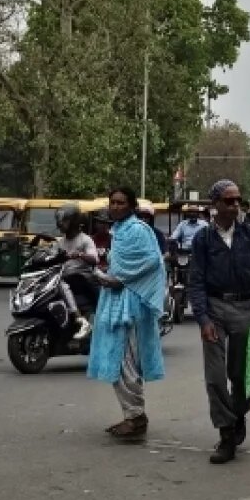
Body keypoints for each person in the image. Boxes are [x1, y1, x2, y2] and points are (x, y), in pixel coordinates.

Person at [187, 180, 250, 463]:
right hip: (214, 309)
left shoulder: (249, 235)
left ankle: (238, 415)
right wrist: (202, 319)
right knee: (215, 376)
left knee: (240, 375)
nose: (235, 205)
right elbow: (195, 282)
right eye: (228, 201)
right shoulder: (203, 239)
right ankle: (226, 433)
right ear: (215, 205)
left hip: (244, 308)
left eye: (238, 200)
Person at [87, 187, 166, 442]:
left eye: (121, 202)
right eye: (112, 202)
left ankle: (136, 417)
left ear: (131, 206)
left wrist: (121, 279)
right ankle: (133, 414)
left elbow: (153, 260)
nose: (116, 206)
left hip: (131, 304)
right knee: (117, 359)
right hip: (115, 300)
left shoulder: (138, 230)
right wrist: (106, 275)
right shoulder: (118, 231)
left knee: (125, 361)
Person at [53, 203, 98, 340]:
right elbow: (52, 256)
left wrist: (80, 255)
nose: (61, 224)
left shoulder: (85, 240)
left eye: (65, 220)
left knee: (63, 283)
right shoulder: (60, 242)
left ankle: (80, 319)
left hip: (82, 278)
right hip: (65, 275)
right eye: (60, 220)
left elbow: (94, 259)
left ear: (74, 221)